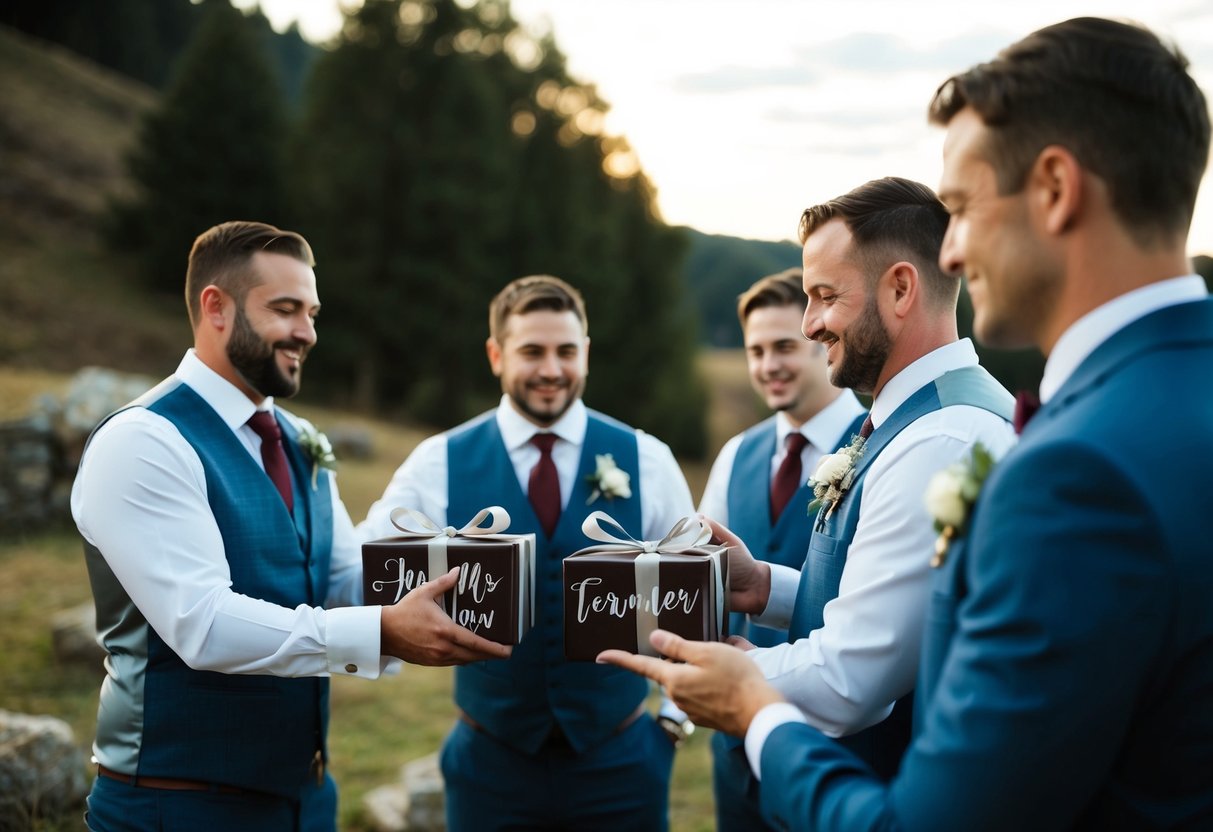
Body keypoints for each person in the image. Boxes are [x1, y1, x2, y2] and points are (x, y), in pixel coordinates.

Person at [601, 17, 1213, 831]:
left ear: (1055, 189)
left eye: (960, 208)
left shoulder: (1065, 469)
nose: (949, 253)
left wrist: (755, 708)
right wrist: (768, 588)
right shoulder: (1166, 399)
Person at [72, 221, 510, 832]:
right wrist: (381, 630)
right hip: (176, 804)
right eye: (284, 310)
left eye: (312, 313)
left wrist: (459, 581)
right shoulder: (145, 440)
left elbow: (340, 578)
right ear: (216, 308)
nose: (307, 332)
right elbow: (203, 624)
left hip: (305, 798)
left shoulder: (300, 440)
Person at [701, 176, 1017, 829]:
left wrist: (736, 678)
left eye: (825, 297)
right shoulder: (920, 416)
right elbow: (900, 602)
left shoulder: (940, 437)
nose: (810, 324)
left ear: (899, 289)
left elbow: (851, 677)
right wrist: (765, 587)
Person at [359, 275, 695, 831]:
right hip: (489, 766)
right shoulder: (439, 460)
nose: (551, 369)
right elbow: (364, 564)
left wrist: (672, 725)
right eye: (532, 351)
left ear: (586, 354)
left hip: (622, 761)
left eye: (566, 351)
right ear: (496, 355)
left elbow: (692, 600)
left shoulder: (647, 458)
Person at [696, 267, 865, 829]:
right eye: (756, 350)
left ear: (820, 338)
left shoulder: (879, 445)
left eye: (784, 346)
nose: (769, 365)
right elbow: (702, 582)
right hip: (737, 748)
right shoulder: (735, 455)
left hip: (839, 757)